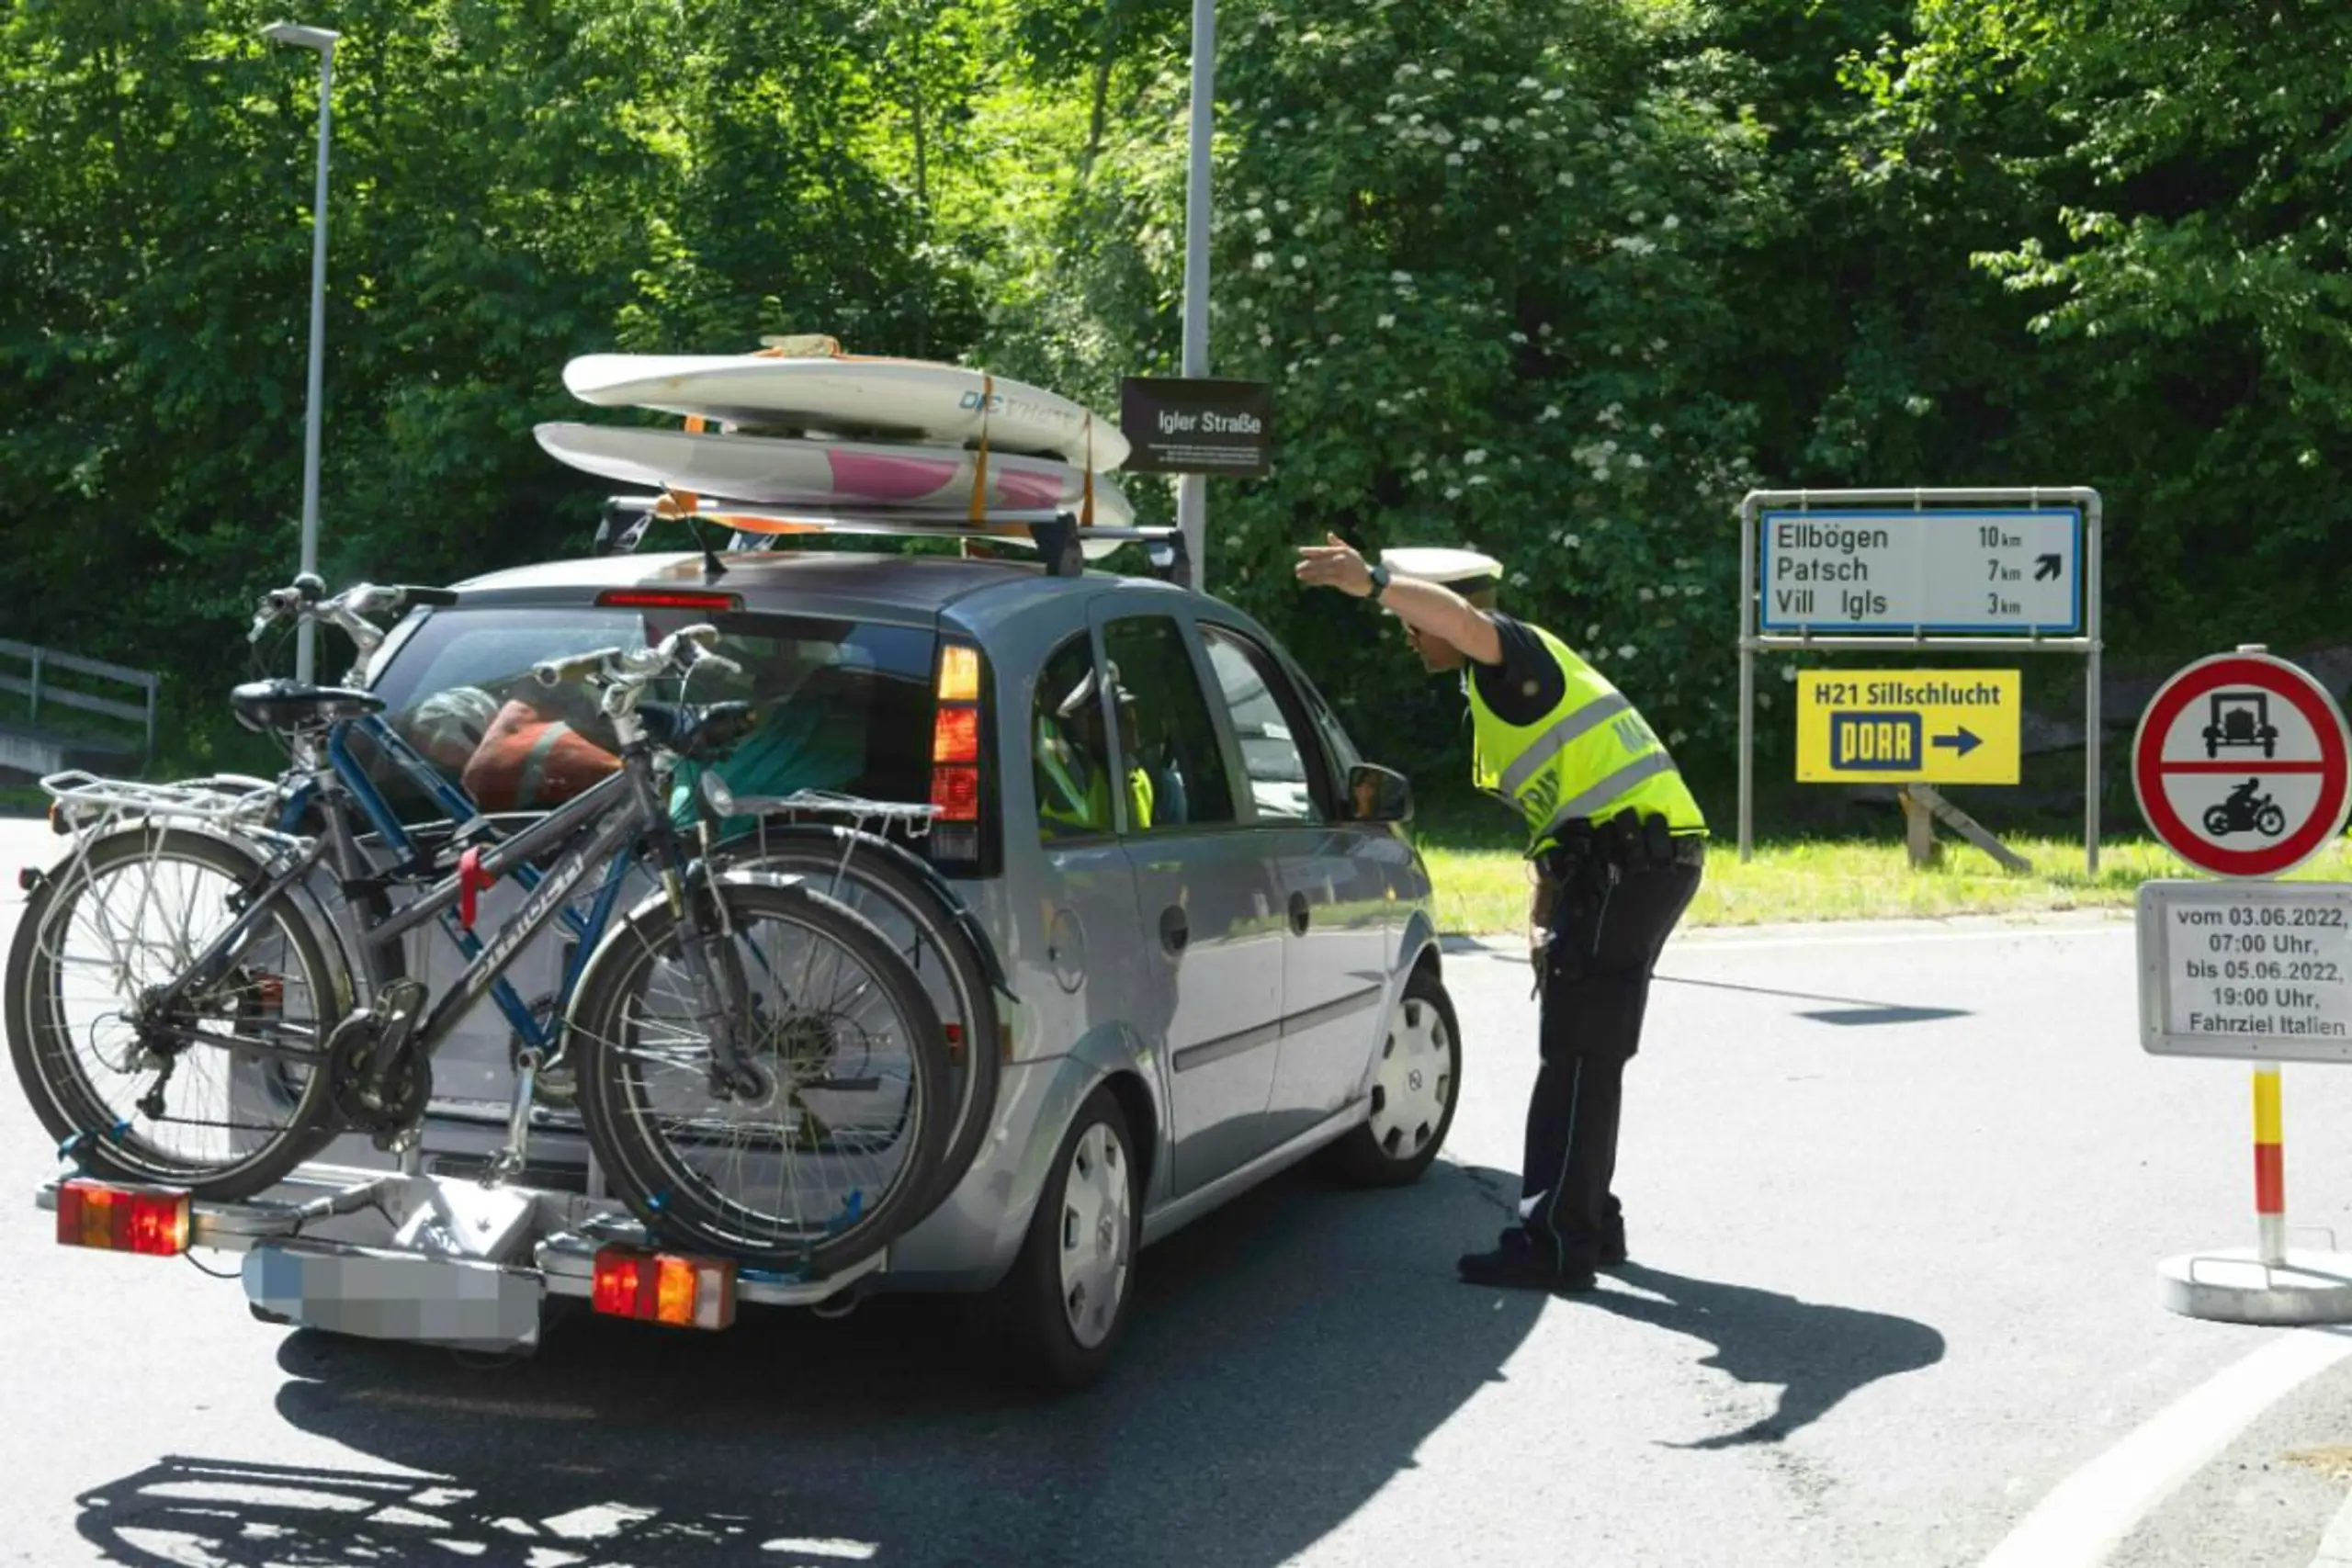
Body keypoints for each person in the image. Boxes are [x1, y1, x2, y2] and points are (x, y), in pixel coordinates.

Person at [1295, 534, 1708, 1292]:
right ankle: (1589, 1219)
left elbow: (1463, 624)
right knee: (1587, 1050)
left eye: (1410, 621)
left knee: (1579, 1052)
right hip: (1620, 863)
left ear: (1447, 608)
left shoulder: (1510, 652)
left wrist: (1373, 579)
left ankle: (1557, 1241)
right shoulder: (1504, 687)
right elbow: (1558, 818)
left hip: (1632, 863)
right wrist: (1542, 917)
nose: (1410, 638)